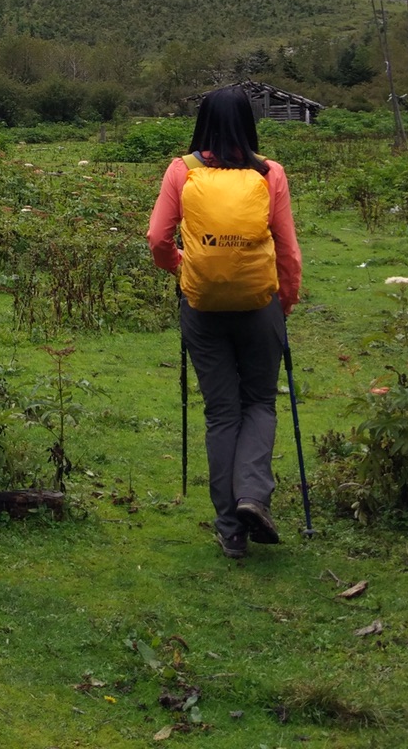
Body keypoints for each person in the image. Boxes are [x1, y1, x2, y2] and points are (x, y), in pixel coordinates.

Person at [145, 85, 303, 560]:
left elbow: (157, 238)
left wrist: (183, 268)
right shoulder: (269, 172)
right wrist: (284, 300)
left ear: (203, 121)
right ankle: (253, 495)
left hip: (203, 307)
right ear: (250, 122)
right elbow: (288, 248)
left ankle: (231, 530)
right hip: (261, 305)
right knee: (259, 402)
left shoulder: (182, 170)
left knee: (221, 411)